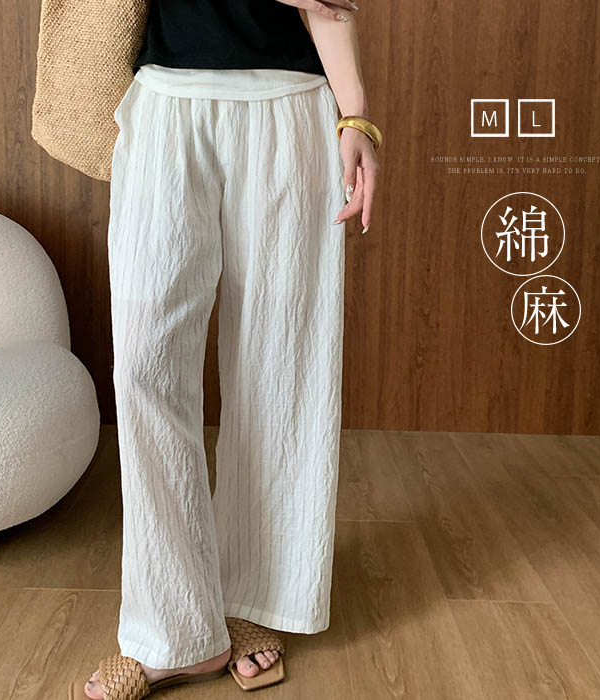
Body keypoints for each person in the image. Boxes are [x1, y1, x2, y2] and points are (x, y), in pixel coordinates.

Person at [76, 1, 380, 697]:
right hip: (167, 102)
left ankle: (254, 598)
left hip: (289, 106)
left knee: (282, 366)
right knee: (145, 366)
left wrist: (356, 116)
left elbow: (329, 6)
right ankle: (171, 630)